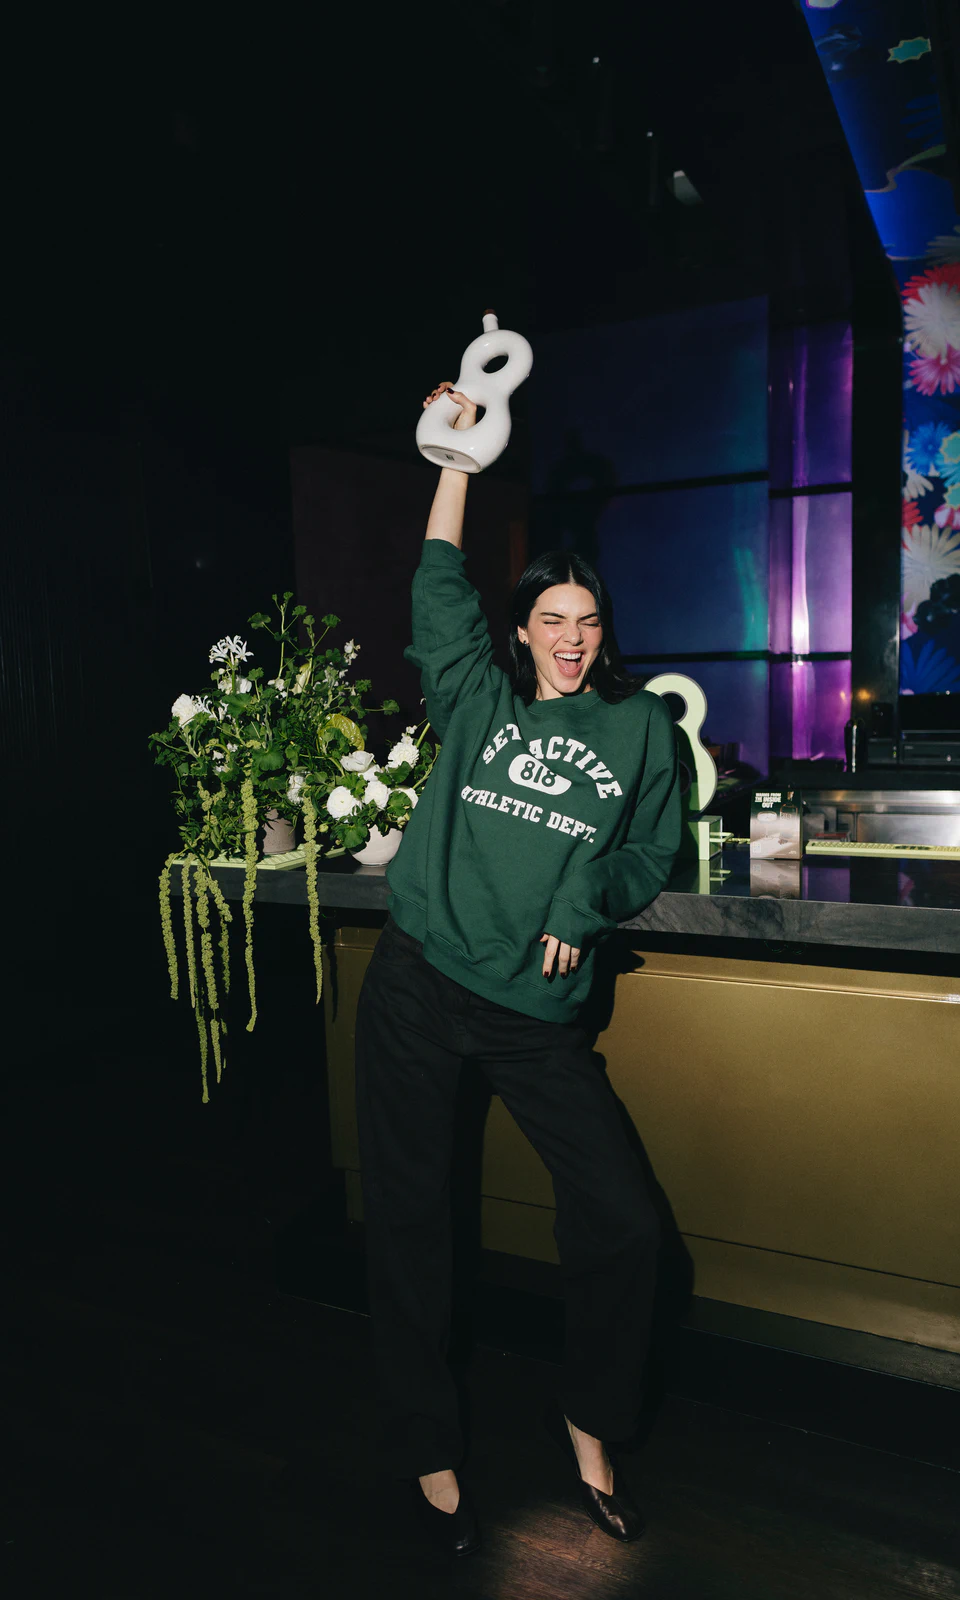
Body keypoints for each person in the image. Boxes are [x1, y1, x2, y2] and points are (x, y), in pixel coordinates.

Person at [354, 381, 682, 1558]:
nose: (571, 636)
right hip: (416, 985)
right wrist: (454, 458)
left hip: (535, 1015)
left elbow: (648, 849)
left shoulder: (638, 729)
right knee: (409, 1221)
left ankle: (588, 1419)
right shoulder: (475, 698)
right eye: (551, 617)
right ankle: (427, 1443)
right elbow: (435, 582)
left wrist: (580, 898)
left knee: (625, 1224)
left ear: (602, 630)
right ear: (524, 629)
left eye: (586, 619)